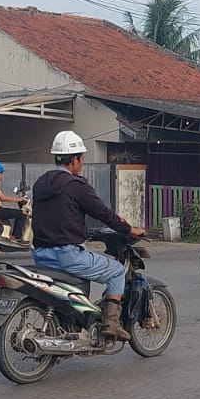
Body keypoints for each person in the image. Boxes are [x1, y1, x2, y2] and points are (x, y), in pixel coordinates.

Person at [30, 131, 145, 341]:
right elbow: (103, 213)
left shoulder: (41, 183)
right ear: (75, 159)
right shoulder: (76, 186)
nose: (82, 163)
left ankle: (73, 323)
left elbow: (57, 214)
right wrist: (130, 229)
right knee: (116, 271)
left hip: (41, 254)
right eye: (81, 158)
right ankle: (111, 323)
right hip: (68, 255)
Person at [0, 161, 30, 245]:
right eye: (1, 173)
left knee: (10, 217)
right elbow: (2, 198)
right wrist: (19, 200)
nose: (2, 176)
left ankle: (8, 237)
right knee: (22, 213)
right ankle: (16, 237)